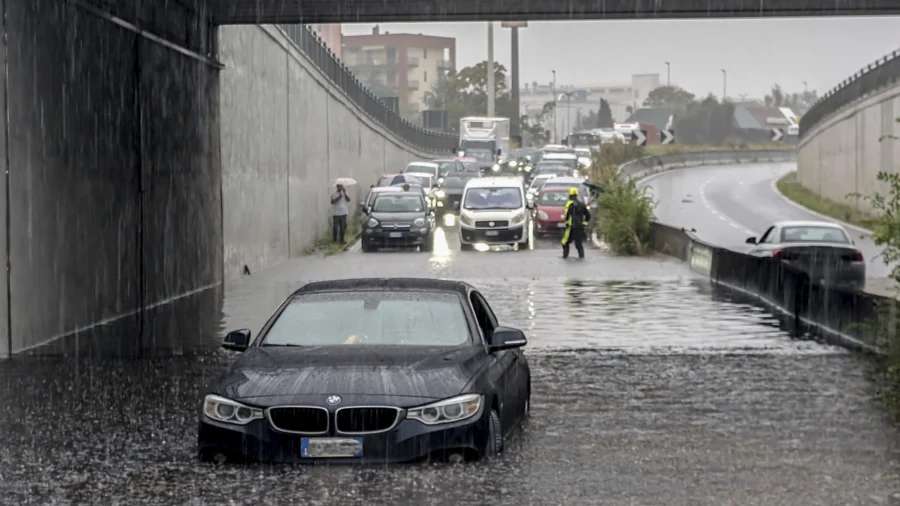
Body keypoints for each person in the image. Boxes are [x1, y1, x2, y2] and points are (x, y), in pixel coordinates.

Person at [561, 187, 590, 259]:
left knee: (565, 242)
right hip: (580, 226)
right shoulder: (582, 204)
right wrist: (585, 223)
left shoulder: (569, 204)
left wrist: (566, 223)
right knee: (578, 244)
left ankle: (565, 255)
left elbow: (567, 215)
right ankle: (581, 256)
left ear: (569, 195)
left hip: (571, 227)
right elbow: (588, 215)